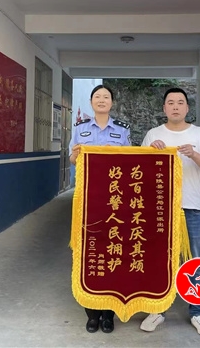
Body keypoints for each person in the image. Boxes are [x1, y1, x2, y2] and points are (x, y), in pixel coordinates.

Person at [139, 87, 200, 337]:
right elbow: (140, 170)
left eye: (180, 102)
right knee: (158, 259)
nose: (175, 106)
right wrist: (151, 152)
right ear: (164, 108)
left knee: (194, 261)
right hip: (159, 209)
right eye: (170, 102)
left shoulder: (198, 134)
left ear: (187, 108)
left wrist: (194, 154)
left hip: (190, 206)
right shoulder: (153, 134)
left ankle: (198, 313)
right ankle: (157, 309)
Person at [69, 84, 131, 334]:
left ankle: (109, 314)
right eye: (97, 97)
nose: (102, 100)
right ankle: (92, 313)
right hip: (87, 199)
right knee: (89, 252)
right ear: (91, 102)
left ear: (112, 102)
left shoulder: (122, 130)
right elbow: (72, 159)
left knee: (112, 251)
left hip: (114, 201)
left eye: (106, 97)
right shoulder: (80, 129)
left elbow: (132, 163)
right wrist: (76, 155)